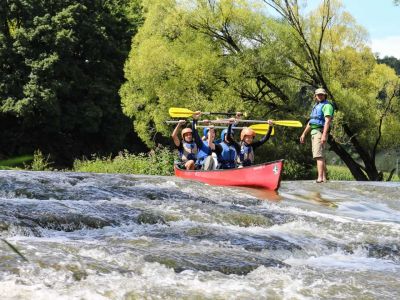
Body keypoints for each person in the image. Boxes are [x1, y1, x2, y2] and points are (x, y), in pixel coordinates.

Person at [300, 88, 334, 183]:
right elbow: (311, 122)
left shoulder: (327, 106)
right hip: (314, 132)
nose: (320, 96)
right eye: (318, 95)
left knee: (318, 156)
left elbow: (327, 122)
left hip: (320, 132)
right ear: (315, 96)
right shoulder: (316, 106)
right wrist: (303, 134)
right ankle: (323, 178)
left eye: (322, 94)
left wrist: (323, 135)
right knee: (320, 156)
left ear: (325, 95)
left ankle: (320, 178)